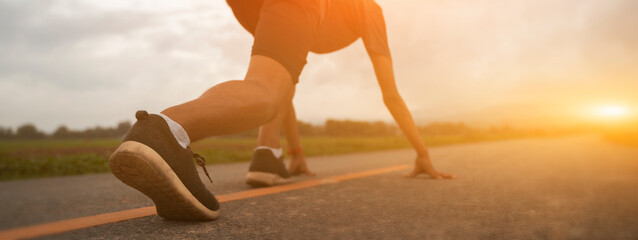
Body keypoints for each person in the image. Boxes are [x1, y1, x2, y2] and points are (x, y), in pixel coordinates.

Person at [108, 0, 454, 221]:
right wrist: (422, 152)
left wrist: (298, 151)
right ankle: (167, 130)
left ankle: (267, 154)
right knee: (264, 91)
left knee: (275, 81)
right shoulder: (371, 11)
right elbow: (390, 95)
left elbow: (288, 83)